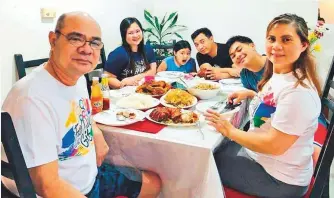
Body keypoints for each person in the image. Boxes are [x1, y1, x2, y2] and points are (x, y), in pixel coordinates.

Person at [2, 12, 161, 198]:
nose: (87, 50)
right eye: (76, 39)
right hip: (65, 190)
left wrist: (95, 131)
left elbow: (81, 111)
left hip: (92, 176)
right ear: (53, 40)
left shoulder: (75, 77)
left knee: (154, 183)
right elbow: (47, 186)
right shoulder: (32, 99)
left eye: (94, 43)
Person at [205, 13, 321, 197]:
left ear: (303, 45)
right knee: (215, 147)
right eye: (272, 39)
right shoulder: (280, 75)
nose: (276, 46)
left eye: (286, 39)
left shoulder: (298, 92)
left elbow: (274, 145)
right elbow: (273, 105)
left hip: (279, 180)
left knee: (203, 162)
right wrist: (252, 94)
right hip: (262, 159)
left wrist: (231, 131)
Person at [104, 17, 157, 89]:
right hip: (124, 94)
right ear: (124, 35)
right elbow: (108, 78)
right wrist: (123, 84)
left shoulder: (148, 49)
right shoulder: (118, 54)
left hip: (142, 89)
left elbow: (153, 70)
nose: (135, 35)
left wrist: (133, 78)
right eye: (130, 33)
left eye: (138, 31)